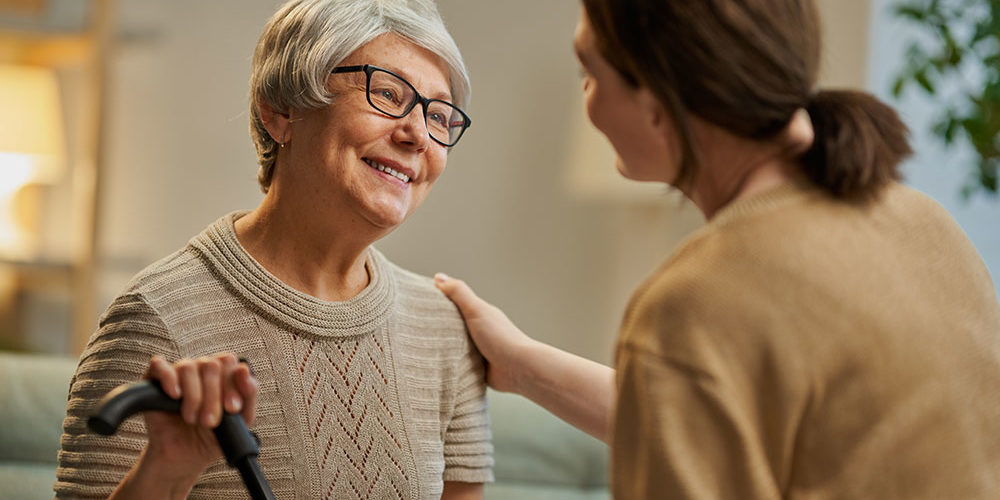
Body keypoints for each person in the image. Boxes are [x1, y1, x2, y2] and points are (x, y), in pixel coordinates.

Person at [434, 1, 1000, 498]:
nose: (585, 94)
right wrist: (522, 366)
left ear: (657, 102)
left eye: (589, 71)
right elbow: (734, 420)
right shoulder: (923, 222)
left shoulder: (696, 300)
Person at [55, 1, 492, 498]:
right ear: (281, 111)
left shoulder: (443, 330)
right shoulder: (156, 318)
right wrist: (169, 471)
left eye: (438, 115)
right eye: (387, 93)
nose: (417, 135)